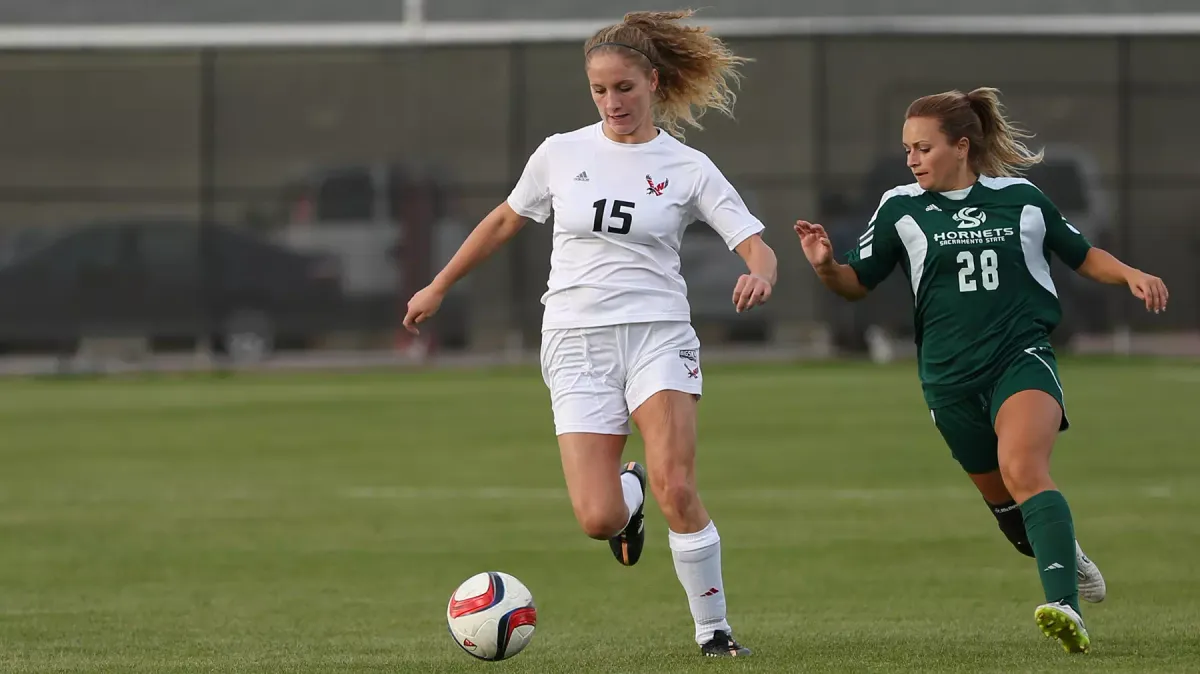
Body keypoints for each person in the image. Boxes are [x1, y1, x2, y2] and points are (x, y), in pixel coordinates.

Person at [404, 9, 777, 658]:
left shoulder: (686, 166)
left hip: (657, 333)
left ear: (653, 83)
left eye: (624, 88)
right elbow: (501, 222)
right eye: (600, 90)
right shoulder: (560, 153)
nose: (613, 102)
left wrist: (760, 272)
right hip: (575, 341)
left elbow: (755, 243)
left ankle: (713, 633)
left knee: (678, 486)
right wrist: (438, 285)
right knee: (598, 518)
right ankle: (627, 496)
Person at [795, 87, 1168, 655]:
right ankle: (1067, 552)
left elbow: (1081, 252)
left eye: (923, 147)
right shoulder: (900, 208)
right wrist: (826, 268)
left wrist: (1131, 274)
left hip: (1020, 358)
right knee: (1012, 518)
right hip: (947, 380)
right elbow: (855, 284)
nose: (912, 159)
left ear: (961, 146)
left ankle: (1064, 606)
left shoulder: (1020, 198)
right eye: (907, 150)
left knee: (1024, 468)